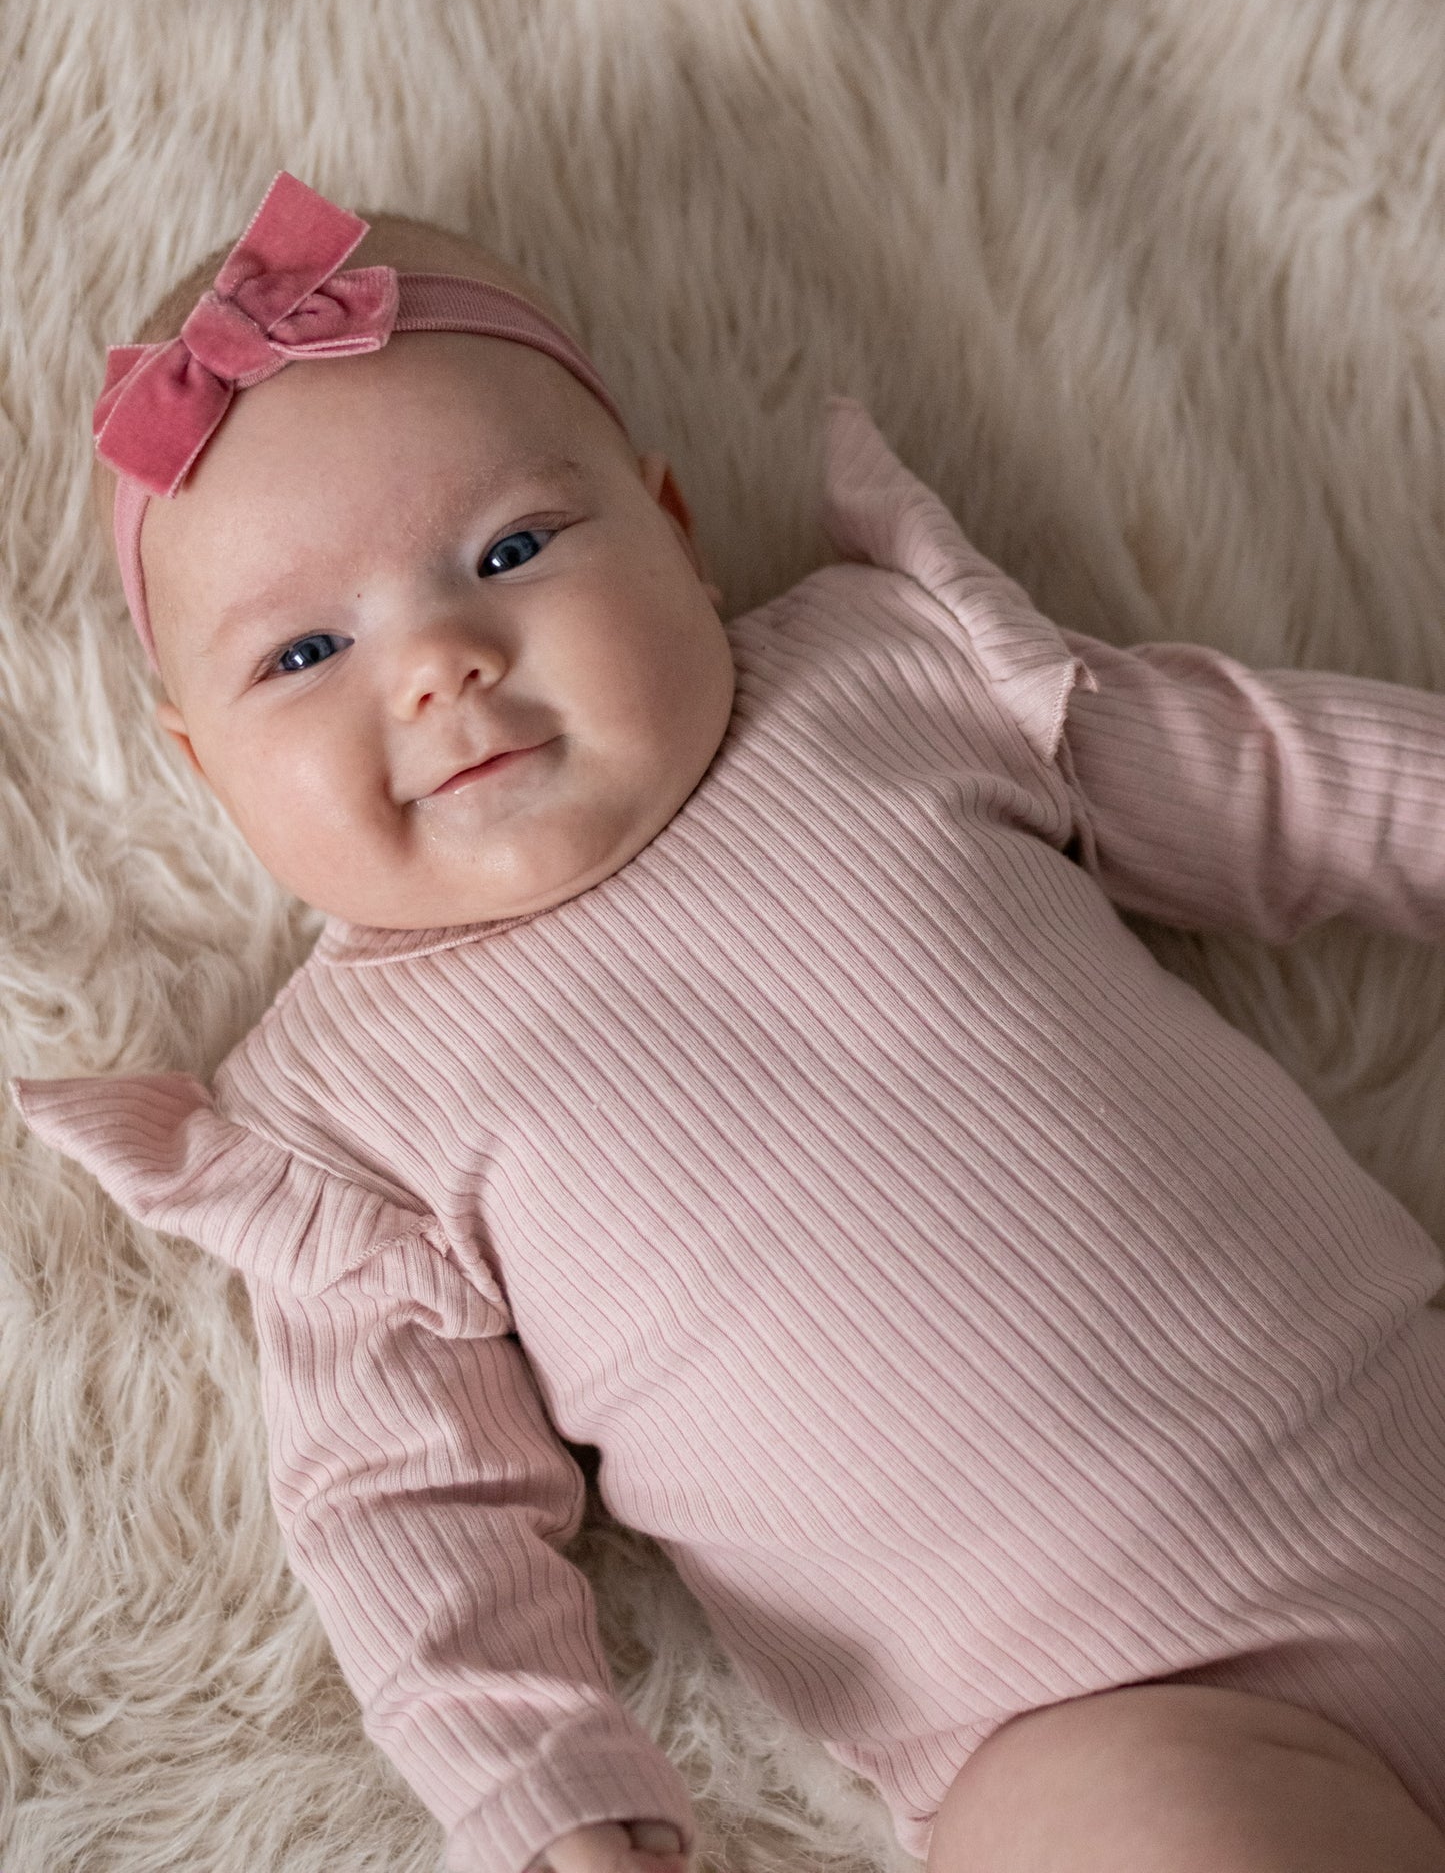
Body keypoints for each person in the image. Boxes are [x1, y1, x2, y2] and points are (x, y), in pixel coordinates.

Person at [14, 172, 1445, 1873]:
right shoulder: (342, 1112)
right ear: (198, 765)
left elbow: (1277, 779)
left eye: (510, 550)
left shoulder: (885, 679)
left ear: (676, 534)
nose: (439, 663)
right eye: (306, 650)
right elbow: (403, 1502)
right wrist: (542, 1794)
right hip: (1097, 1715)